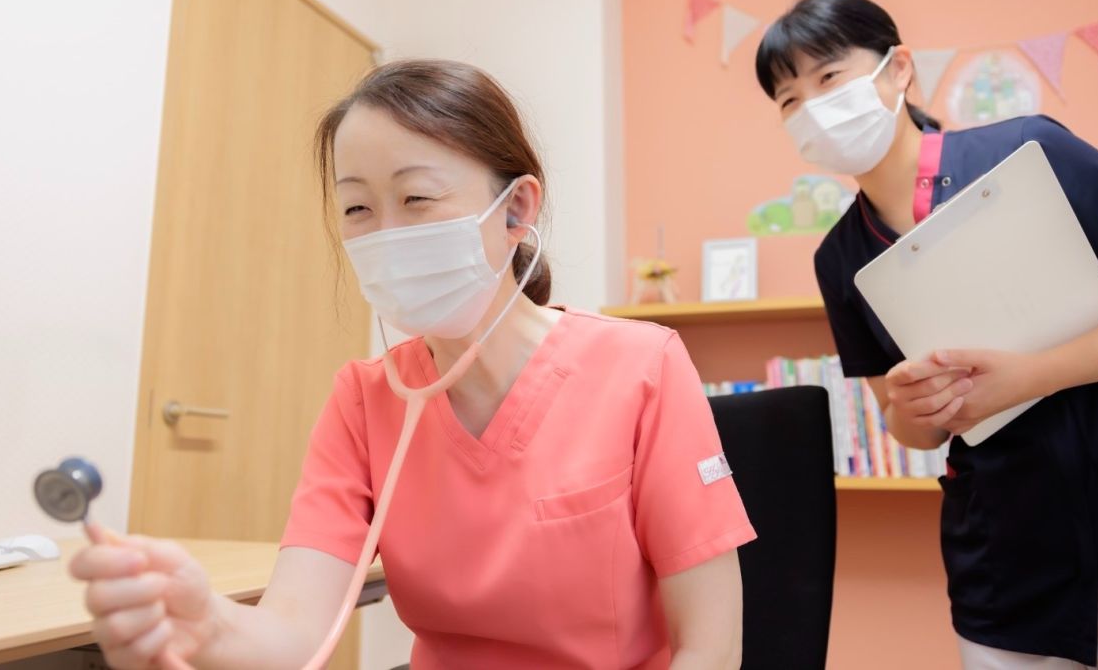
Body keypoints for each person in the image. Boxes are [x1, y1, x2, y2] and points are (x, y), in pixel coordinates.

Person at [70, 59, 754, 669]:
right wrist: (207, 624)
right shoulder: (364, 400)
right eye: (358, 208)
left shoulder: (641, 368)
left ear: (516, 208)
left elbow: (711, 647)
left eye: (417, 198)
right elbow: (295, 634)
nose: (386, 236)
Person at [755, 0, 1098, 669]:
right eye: (789, 100)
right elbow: (910, 428)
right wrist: (915, 408)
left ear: (899, 68)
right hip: (1007, 565)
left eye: (829, 77)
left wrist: (1029, 377)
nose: (812, 108)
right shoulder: (840, 258)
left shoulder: (1030, 152)